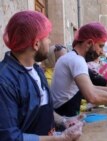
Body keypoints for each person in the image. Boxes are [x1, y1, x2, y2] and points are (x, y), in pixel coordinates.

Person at [0, 10, 82, 141]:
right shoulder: (4, 81)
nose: (50, 41)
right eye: (47, 36)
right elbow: (9, 137)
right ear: (36, 43)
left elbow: (43, 110)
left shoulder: (36, 70)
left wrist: (65, 121)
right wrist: (61, 139)